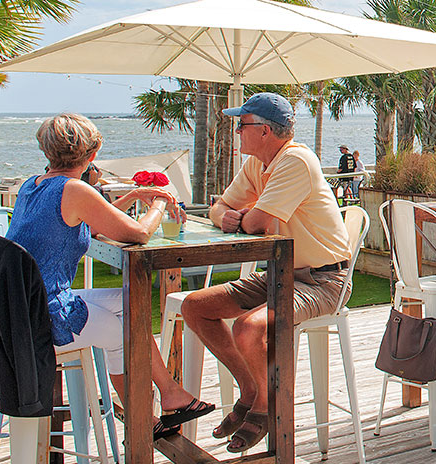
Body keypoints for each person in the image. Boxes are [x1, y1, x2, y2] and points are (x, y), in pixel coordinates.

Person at [6, 113, 214, 441]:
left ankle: (170, 396)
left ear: (45, 151)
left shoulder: (32, 187)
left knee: (130, 302)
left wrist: (131, 198)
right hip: (46, 317)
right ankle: (142, 418)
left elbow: (86, 223)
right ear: (92, 154)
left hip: (19, 309)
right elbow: (139, 234)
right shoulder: (74, 189)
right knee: (121, 331)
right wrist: (159, 203)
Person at [180, 93, 352, 453]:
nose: (237, 131)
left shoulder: (296, 161)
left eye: (242, 125)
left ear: (264, 131)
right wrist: (225, 216)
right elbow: (221, 207)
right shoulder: (257, 164)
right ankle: (251, 390)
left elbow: (257, 223)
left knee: (248, 327)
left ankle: (266, 405)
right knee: (195, 307)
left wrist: (241, 218)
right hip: (281, 273)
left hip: (324, 281)